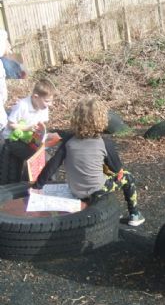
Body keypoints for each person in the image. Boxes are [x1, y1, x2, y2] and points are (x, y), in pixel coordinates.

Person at [34, 97, 145, 226]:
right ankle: (134, 215)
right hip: (97, 191)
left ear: (76, 119)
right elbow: (116, 169)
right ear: (102, 120)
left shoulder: (68, 142)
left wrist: (37, 186)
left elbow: (53, 164)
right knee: (128, 177)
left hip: (75, 191)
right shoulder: (105, 143)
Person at [2, 79, 55, 181]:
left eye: (51, 101)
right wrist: (28, 128)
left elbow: (42, 125)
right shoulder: (22, 106)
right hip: (13, 139)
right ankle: (28, 184)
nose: (50, 104)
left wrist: (44, 135)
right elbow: (10, 124)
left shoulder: (44, 108)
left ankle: (34, 182)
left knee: (46, 157)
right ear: (35, 97)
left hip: (29, 139)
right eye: (47, 101)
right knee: (35, 157)